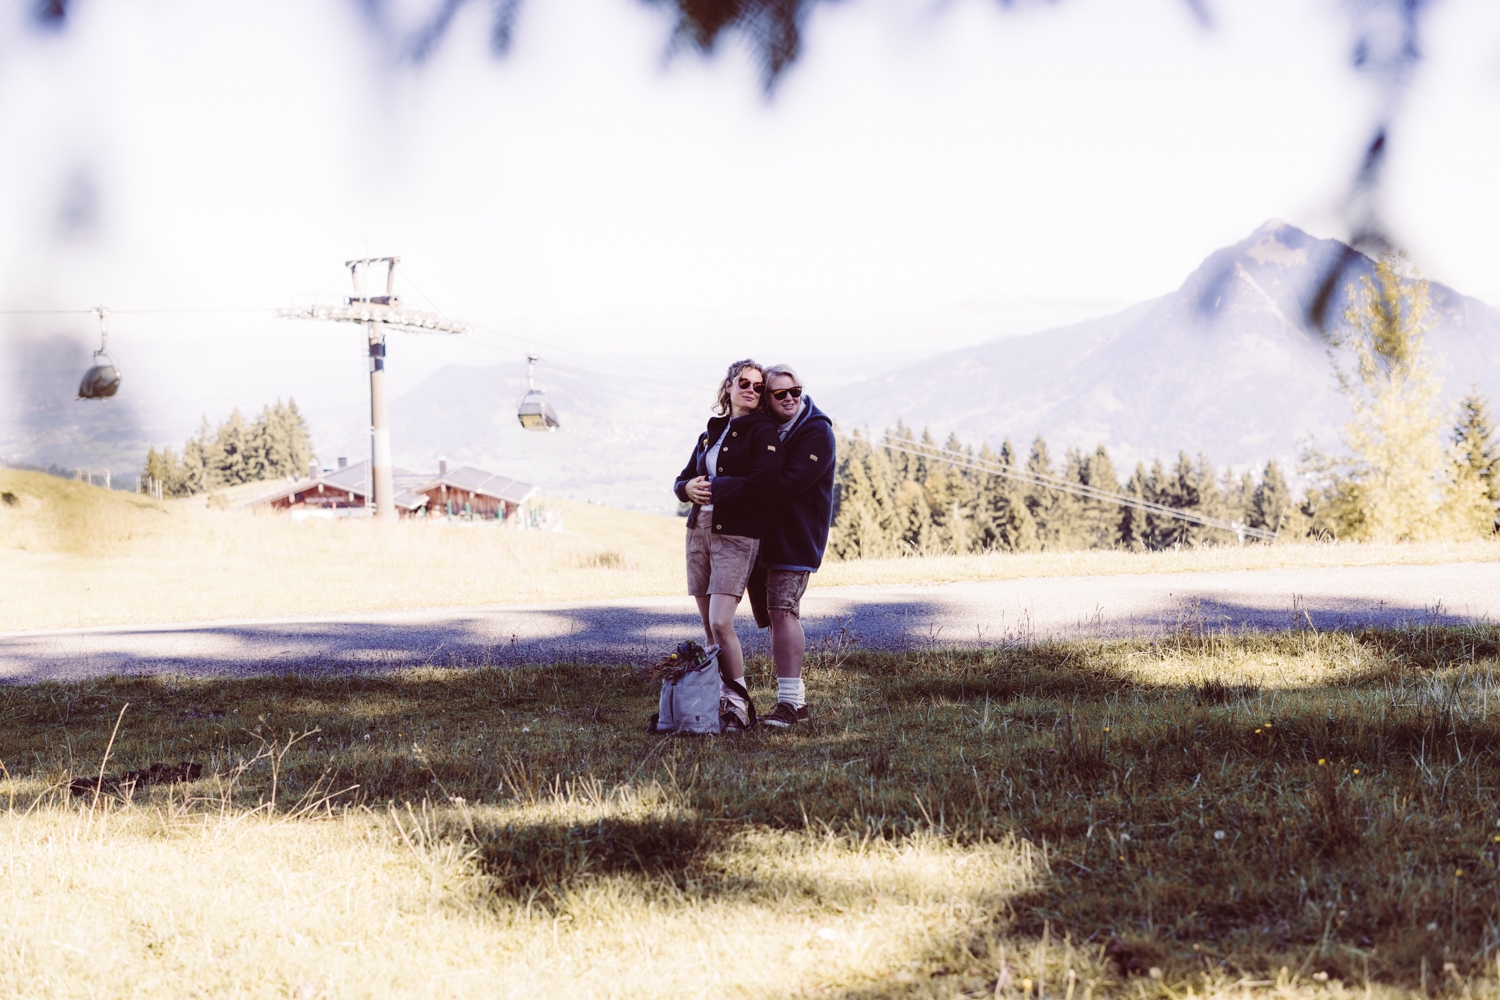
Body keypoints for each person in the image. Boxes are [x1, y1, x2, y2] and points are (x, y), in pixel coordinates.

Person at [674, 359, 784, 732]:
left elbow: (764, 482)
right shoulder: (712, 432)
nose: (750, 390)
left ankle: (738, 704)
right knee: (708, 629)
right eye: (744, 383)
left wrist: (717, 489)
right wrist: (685, 489)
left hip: (737, 535)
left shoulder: (763, 432)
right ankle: (714, 704)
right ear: (729, 386)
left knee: (722, 622)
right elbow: (684, 477)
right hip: (699, 530)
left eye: (757, 387)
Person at [747, 364, 836, 729]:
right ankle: (796, 703)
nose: (790, 399)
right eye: (780, 393)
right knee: (776, 614)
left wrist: (741, 488)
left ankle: (786, 705)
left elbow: (789, 482)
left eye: (795, 391)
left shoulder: (816, 432)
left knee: (783, 612)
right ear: (767, 399)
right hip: (767, 536)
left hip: (796, 536)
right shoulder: (768, 429)